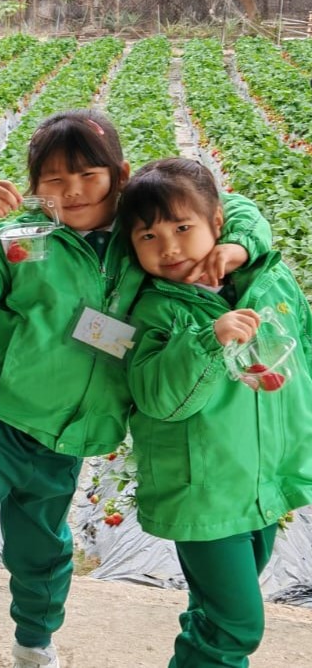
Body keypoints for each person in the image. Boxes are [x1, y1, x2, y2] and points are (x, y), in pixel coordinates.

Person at [0, 110, 272, 668]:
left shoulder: (145, 227)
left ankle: (34, 640)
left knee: (41, 546)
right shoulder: (25, 240)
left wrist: (235, 248)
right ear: (35, 187)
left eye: (89, 175)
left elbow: (234, 209)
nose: (73, 191)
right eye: (55, 180)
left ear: (121, 175)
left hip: (73, 434)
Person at [120, 158, 312, 668]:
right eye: (148, 237)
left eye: (183, 228)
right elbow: (159, 398)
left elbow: (306, 346)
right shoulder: (156, 311)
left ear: (217, 224)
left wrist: (241, 245)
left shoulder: (264, 279)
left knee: (215, 614)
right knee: (237, 626)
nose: (170, 248)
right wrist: (208, 340)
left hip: (262, 479)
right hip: (202, 493)